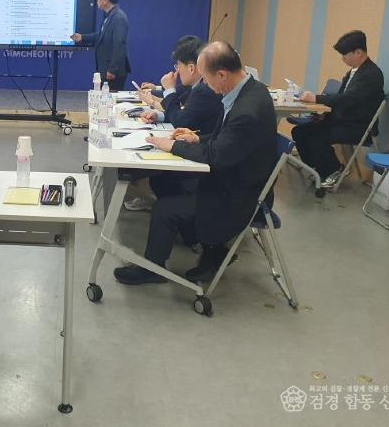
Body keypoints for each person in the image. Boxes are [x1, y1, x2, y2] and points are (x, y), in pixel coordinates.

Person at [113, 42, 277, 285]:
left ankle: (153, 269)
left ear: (222, 75)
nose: (207, 85)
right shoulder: (252, 89)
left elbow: (215, 156)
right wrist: (198, 138)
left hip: (238, 195)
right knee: (168, 181)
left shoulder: (246, 110)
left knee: (165, 209)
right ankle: (204, 245)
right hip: (237, 178)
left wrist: (173, 146)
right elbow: (227, 138)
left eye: (207, 79)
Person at [124, 36, 223, 211]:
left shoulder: (204, 90)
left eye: (178, 66)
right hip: (194, 142)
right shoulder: (197, 86)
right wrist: (159, 116)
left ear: (191, 68)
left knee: (151, 169)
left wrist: (169, 89)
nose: (176, 71)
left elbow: (181, 119)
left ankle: (163, 206)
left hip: (202, 156)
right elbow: (180, 113)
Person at [294, 30, 385, 189]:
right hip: (342, 120)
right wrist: (324, 116)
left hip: (358, 126)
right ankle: (319, 168)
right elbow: (341, 100)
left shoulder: (372, 74)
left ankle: (334, 170)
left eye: (345, 54)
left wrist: (316, 98)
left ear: (358, 52)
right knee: (299, 132)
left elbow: (349, 99)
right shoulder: (353, 72)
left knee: (316, 137)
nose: (343, 58)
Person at [70, 0, 131, 91]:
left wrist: (112, 69)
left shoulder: (118, 18)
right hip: (105, 70)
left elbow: (119, 45)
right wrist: (82, 37)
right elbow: (102, 36)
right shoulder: (109, 15)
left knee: (111, 100)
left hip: (113, 73)